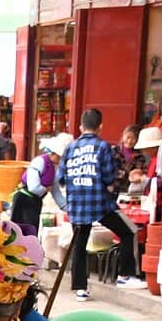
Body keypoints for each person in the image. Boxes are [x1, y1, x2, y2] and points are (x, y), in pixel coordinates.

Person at [59, 108, 147, 300]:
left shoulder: (69, 148)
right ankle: (125, 275)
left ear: (81, 127)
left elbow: (61, 179)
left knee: (79, 244)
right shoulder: (103, 146)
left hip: (76, 205)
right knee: (130, 231)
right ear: (100, 127)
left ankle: (80, 289)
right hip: (100, 204)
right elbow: (109, 177)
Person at [9, 132, 72, 236]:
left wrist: (68, 209)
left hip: (35, 203)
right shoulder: (39, 162)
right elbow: (33, 187)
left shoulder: (55, 169)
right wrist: (45, 189)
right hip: (23, 200)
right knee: (18, 233)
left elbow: (56, 192)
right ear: (55, 153)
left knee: (32, 234)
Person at [126, 126, 162, 197]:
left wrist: (143, 179)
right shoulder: (153, 158)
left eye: (145, 148)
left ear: (153, 147)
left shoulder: (161, 159)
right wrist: (141, 173)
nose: (143, 151)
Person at [113, 124, 147, 194]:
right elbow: (111, 170)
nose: (129, 141)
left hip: (132, 190)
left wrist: (137, 175)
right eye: (128, 137)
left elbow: (140, 172)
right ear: (123, 136)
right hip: (114, 189)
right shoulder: (114, 151)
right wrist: (128, 175)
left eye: (133, 138)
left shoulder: (140, 157)